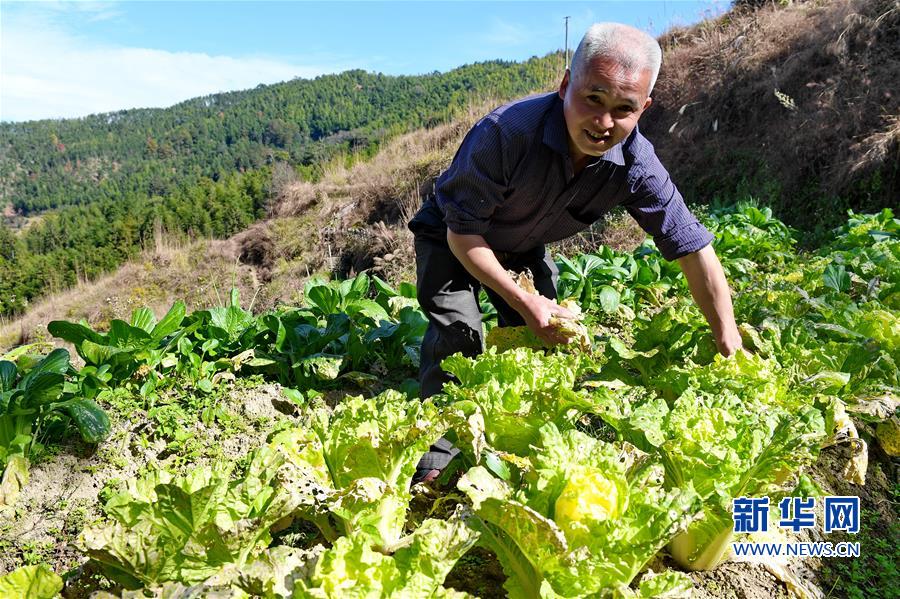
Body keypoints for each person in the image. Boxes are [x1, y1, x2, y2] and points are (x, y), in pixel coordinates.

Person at [407, 22, 743, 482]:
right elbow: (464, 238)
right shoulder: (505, 134)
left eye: (623, 109)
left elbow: (693, 250)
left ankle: (517, 440)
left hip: (522, 243)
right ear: (565, 85)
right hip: (452, 235)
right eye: (593, 99)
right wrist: (524, 301)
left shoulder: (637, 166)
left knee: (548, 338)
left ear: (643, 109)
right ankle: (437, 454)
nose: (604, 123)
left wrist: (728, 339)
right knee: (461, 335)